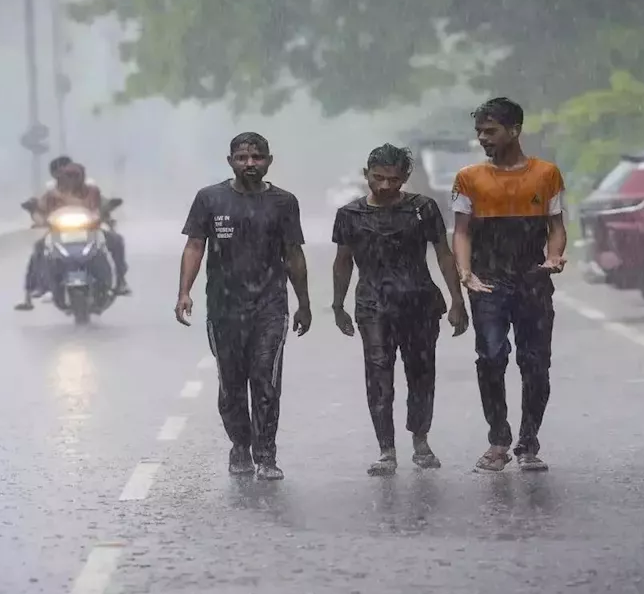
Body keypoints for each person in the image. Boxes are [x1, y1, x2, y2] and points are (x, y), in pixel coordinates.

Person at [175, 132, 311, 481]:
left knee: (266, 380)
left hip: (270, 305)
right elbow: (194, 246)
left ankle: (266, 454)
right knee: (232, 383)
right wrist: (184, 292)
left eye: (257, 157)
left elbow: (293, 254)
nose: (250, 164)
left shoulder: (284, 202)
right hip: (224, 307)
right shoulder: (210, 199)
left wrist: (303, 303)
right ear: (230, 161)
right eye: (242, 158)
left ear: (269, 161)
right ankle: (240, 444)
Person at [331, 144, 469, 476]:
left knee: (421, 372)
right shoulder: (350, 215)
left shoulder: (422, 209)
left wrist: (457, 300)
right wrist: (338, 305)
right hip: (372, 303)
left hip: (419, 301)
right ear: (366, 175)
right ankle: (386, 449)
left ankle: (420, 440)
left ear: (405, 177)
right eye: (377, 178)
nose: (385, 186)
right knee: (378, 374)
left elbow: (443, 253)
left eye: (394, 179)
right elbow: (343, 262)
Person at [451, 97, 567, 473]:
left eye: (491, 131)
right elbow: (462, 232)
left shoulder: (546, 174)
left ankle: (529, 442)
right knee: (490, 358)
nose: (483, 139)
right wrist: (465, 272)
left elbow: (556, 226)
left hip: (533, 280)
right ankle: (498, 439)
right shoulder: (469, 178)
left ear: (515, 130)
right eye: (479, 132)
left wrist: (554, 256)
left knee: (535, 363)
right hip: (488, 282)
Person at [16, 160, 130, 311]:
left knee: (116, 240)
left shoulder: (92, 191)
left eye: (75, 176)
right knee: (39, 248)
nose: (72, 180)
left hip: (90, 230)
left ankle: (121, 280)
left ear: (82, 176)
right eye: (68, 176)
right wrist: (34, 211)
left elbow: (103, 205)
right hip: (60, 232)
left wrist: (106, 210)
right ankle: (32, 291)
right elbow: (40, 210)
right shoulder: (52, 194)